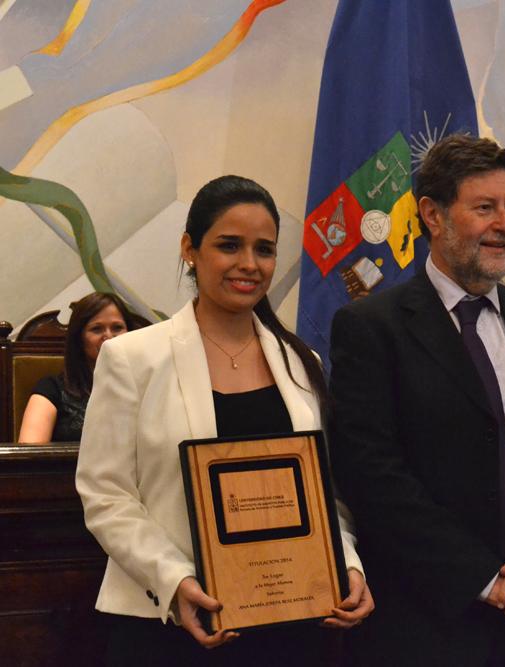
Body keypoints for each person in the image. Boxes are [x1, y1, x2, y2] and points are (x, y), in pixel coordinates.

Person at [328, 134, 505, 666]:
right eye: (485, 208)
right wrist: (482, 579)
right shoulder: (371, 329)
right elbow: (373, 475)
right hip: (428, 627)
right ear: (432, 215)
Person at [76, 175, 373, 666]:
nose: (249, 265)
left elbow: (325, 495)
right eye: (229, 246)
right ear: (190, 249)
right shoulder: (132, 357)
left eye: (264, 249)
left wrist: (345, 566)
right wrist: (175, 580)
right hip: (172, 624)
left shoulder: (304, 363)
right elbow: (105, 494)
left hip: (292, 625)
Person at [18, 292, 133, 443]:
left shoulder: (145, 386)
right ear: (79, 338)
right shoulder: (51, 389)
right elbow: (29, 459)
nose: (108, 337)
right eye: (97, 329)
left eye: (117, 327)